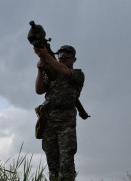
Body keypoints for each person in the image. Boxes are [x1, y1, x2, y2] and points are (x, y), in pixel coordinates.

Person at [34, 45, 85, 181]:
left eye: (66, 54)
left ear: (74, 59)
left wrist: (47, 56)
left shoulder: (77, 74)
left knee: (66, 163)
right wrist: (40, 71)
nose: (62, 56)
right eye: (60, 54)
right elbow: (39, 90)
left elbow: (65, 72)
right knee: (53, 164)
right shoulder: (52, 74)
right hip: (49, 122)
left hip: (66, 124)